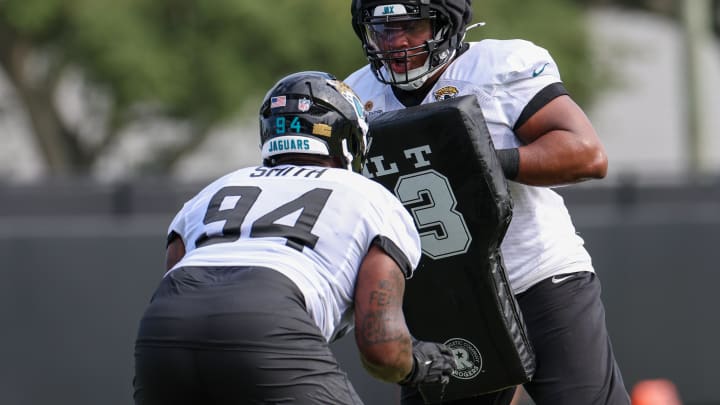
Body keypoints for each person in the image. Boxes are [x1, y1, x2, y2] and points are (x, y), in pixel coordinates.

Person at [345, 1, 630, 404]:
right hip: (444, 298)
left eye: (413, 26)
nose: (397, 42)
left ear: (447, 23)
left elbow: (586, 154)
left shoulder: (497, 67)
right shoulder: (356, 95)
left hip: (535, 277)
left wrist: (482, 160)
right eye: (383, 29)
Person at [132, 71, 457, 405]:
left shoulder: (214, 189)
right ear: (349, 138)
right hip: (268, 319)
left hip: (163, 331)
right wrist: (419, 363)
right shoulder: (371, 197)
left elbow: (176, 278)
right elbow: (383, 349)